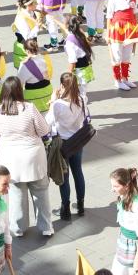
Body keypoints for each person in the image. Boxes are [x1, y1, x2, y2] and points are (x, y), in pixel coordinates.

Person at [0, 77, 52, 237]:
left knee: (17, 194)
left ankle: (18, 228)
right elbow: (44, 130)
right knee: (41, 192)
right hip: (33, 158)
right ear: (19, 90)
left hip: (10, 160)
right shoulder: (29, 108)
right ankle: (45, 227)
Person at [48, 71, 90, 220]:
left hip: (63, 143)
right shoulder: (81, 99)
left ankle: (65, 208)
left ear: (61, 85)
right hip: (77, 140)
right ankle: (81, 205)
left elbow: (48, 122)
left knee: (64, 175)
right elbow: (85, 117)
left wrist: (53, 100)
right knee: (78, 171)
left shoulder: (58, 104)